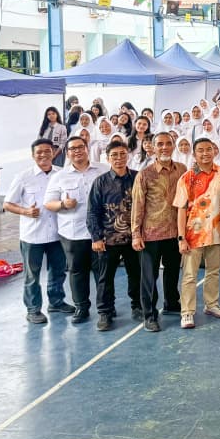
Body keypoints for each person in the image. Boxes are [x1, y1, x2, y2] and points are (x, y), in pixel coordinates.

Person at [5, 139, 72, 324]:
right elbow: (7, 204)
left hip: (57, 233)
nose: (43, 155)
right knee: (32, 274)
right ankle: (33, 309)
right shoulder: (23, 177)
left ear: (53, 152)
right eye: (39, 152)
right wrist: (26, 211)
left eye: (47, 151)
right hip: (32, 235)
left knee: (58, 270)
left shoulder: (62, 174)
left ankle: (56, 301)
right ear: (33, 155)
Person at [44, 135, 109, 323]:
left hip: (101, 232)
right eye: (72, 148)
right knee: (77, 271)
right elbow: (48, 203)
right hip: (73, 232)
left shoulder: (102, 170)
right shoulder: (60, 176)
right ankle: (81, 307)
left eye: (80, 147)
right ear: (67, 152)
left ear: (87, 148)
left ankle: (105, 309)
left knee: (103, 272)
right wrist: (63, 204)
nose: (77, 151)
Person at [131, 131, 186, 332]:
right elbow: (137, 206)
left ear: (173, 146)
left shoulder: (182, 169)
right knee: (149, 277)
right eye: (160, 144)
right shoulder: (144, 174)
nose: (164, 147)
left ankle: (171, 302)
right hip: (151, 234)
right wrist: (136, 234)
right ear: (152, 148)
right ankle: (150, 314)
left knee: (172, 272)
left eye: (168, 144)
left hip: (174, 232)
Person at [174, 137, 220, 328]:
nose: (205, 153)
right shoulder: (187, 178)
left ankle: (211, 304)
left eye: (209, 149)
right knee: (190, 275)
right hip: (193, 235)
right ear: (194, 154)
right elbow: (181, 209)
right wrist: (181, 238)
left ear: (214, 150)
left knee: (213, 271)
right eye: (201, 150)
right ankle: (187, 312)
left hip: (216, 233)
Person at [86, 139, 141, 331]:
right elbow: (92, 212)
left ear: (128, 155)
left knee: (136, 274)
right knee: (105, 278)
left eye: (122, 154)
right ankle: (105, 312)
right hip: (108, 239)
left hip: (134, 238)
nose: (119, 159)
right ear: (108, 158)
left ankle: (138, 306)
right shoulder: (100, 182)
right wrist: (96, 237)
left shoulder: (137, 178)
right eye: (114, 155)